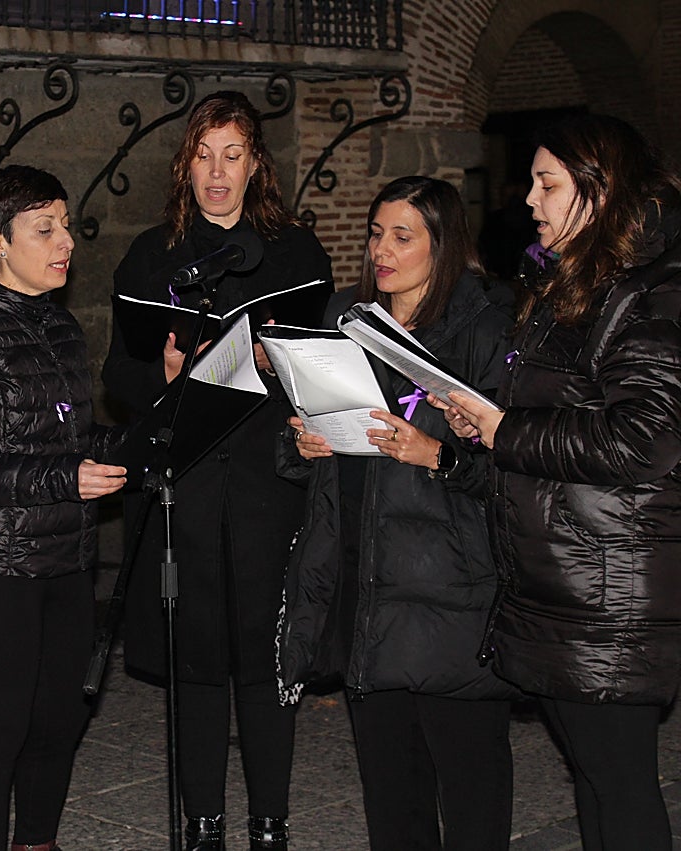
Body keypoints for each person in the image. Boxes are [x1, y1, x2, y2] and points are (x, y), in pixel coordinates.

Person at [440, 114, 681, 850]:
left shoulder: (648, 291)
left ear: (599, 191)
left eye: (548, 184)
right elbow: (561, 409)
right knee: (596, 778)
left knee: (620, 784)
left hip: (610, 587)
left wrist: (506, 430)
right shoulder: (574, 281)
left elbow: (645, 438)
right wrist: (486, 423)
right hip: (566, 576)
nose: (530, 201)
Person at [101, 90, 332, 850]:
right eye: (203, 156)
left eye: (232, 155)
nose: (217, 173)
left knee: (266, 658)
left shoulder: (296, 254)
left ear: (256, 162)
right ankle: (202, 822)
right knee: (196, 659)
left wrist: (277, 363)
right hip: (189, 485)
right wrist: (163, 376)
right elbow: (118, 374)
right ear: (185, 165)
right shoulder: (153, 255)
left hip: (268, 482)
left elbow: (324, 369)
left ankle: (270, 821)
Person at [279, 176, 517, 851]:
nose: (381, 251)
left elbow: (517, 466)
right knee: (391, 795)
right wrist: (302, 444)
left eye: (402, 237)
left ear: (442, 245)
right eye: (375, 234)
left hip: (451, 594)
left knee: (470, 791)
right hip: (367, 585)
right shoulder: (345, 320)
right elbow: (302, 439)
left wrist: (436, 454)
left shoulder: (484, 327)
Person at [0, 164, 127, 851]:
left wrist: (148, 437)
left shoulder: (59, 326)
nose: (66, 241)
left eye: (65, 224)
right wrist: (65, 477)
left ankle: (37, 842)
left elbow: (73, 436)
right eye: (45, 229)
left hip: (67, 552)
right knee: (0, 729)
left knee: (59, 719)